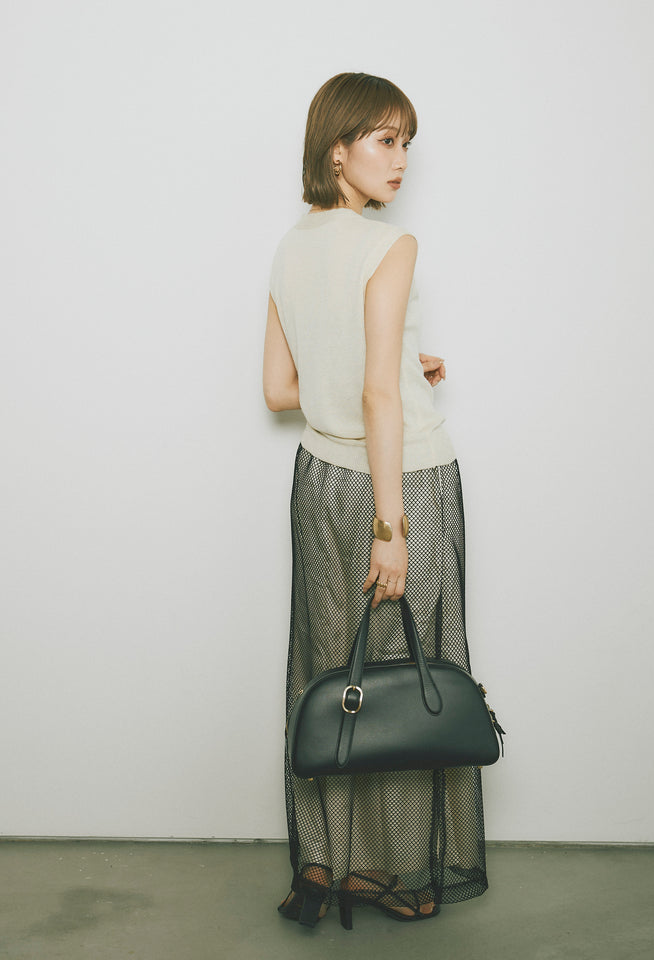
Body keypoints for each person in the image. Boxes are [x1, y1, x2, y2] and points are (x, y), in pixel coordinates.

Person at [263, 72, 488, 931]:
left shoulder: (290, 248)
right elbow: (377, 398)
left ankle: (326, 863)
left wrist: (397, 365)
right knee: (402, 671)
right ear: (337, 150)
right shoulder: (388, 245)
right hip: (401, 482)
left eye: (406, 143)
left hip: (320, 481)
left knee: (332, 665)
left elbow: (281, 389)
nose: (400, 160)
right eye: (384, 140)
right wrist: (391, 528)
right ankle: (392, 872)